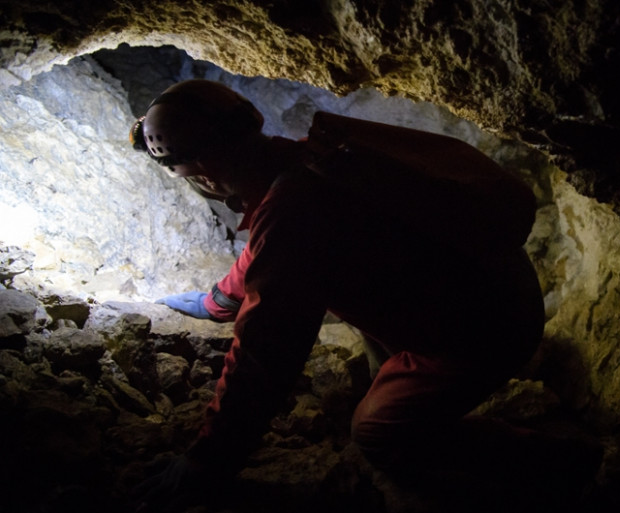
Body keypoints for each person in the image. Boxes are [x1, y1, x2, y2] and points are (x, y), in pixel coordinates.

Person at [130, 79, 545, 510]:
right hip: (495, 285)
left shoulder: (293, 211)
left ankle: (551, 464)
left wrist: (207, 460)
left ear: (203, 173)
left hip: (483, 332)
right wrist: (218, 301)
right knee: (375, 343)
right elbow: (269, 248)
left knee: (377, 434)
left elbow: (266, 351)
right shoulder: (312, 158)